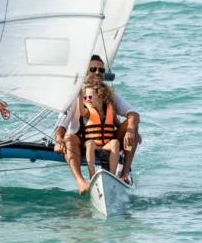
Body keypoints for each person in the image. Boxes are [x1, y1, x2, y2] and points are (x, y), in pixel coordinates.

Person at [54, 55, 141, 191]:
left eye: (101, 70)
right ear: (85, 72)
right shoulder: (78, 95)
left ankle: (123, 175)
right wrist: (58, 140)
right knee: (68, 138)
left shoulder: (109, 94)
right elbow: (61, 126)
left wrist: (131, 129)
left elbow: (133, 113)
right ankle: (81, 182)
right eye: (93, 69)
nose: (97, 73)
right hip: (83, 141)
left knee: (133, 123)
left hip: (108, 142)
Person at [78, 81, 120, 177]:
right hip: (91, 144)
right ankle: (92, 175)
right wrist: (80, 98)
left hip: (106, 145)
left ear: (101, 95)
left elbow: (119, 125)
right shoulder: (87, 112)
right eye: (85, 98)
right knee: (90, 144)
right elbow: (81, 111)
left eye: (90, 97)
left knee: (115, 143)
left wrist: (132, 131)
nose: (87, 100)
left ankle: (112, 175)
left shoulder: (110, 111)